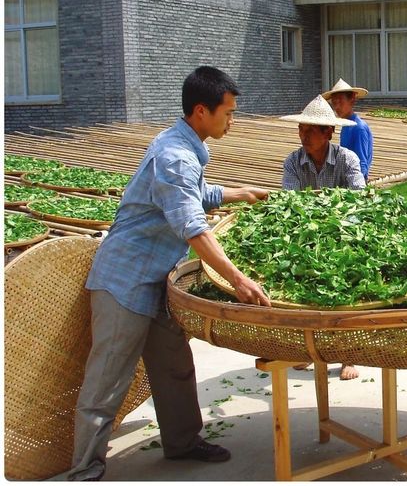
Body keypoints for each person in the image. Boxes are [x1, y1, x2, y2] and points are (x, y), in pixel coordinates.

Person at [70, 66, 271, 481]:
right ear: (202, 111)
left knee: (175, 366)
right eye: (228, 113)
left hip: (158, 280)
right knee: (107, 380)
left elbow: (193, 193)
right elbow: (192, 226)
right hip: (125, 280)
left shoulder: (186, 145)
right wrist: (237, 279)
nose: (232, 121)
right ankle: (85, 469)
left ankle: (183, 443)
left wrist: (240, 193)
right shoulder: (175, 155)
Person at [281, 95, 364, 380]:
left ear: (329, 132)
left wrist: (320, 210)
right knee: (307, 296)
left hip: (344, 238)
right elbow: (290, 203)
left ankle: (347, 356)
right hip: (307, 239)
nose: (304, 136)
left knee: (344, 296)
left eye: (310, 131)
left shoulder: (346, 159)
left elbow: (359, 201)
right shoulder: (293, 162)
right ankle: (309, 351)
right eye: (301, 130)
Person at [323, 78, 373, 182]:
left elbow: (361, 163)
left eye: (340, 101)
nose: (336, 106)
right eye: (334, 102)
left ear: (352, 99)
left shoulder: (359, 128)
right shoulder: (346, 125)